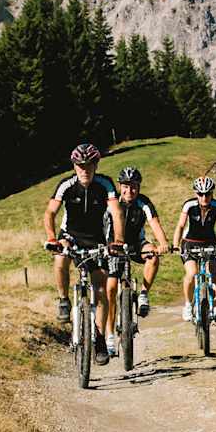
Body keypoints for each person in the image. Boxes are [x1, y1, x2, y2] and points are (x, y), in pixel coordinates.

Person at [43, 143, 125, 366]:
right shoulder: (66, 185)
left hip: (96, 239)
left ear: (96, 165)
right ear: (74, 166)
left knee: (100, 289)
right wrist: (52, 237)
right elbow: (50, 212)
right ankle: (63, 300)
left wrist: (117, 240)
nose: (84, 170)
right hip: (70, 235)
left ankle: (98, 339)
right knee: (60, 258)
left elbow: (117, 213)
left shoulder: (105, 183)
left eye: (89, 165)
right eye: (80, 166)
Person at [102, 166, 170, 357]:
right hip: (113, 246)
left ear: (139, 188)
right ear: (119, 186)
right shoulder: (112, 202)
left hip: (136, 245)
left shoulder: (143, 202)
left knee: (153, 256)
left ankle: (143, 295)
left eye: (133, 187)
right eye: (125, 186)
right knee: (111, 288)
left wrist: (163, 243)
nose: (129, 191)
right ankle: (109, 337)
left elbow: (154, 223)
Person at [171, 176, 216, 324]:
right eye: (200, 194)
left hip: (210, 242)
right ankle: (187, 305)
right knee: (192, 273)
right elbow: (180, 225)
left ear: (212, 193)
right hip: (190, 243)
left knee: (213, 273)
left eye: (208, 194)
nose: (204, 197)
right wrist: (175, 244)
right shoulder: (189, 205)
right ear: (195, 193)